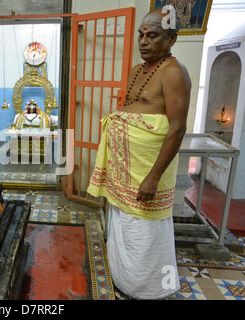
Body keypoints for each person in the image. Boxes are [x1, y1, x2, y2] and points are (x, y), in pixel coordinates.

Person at [87, 8, 191, 299]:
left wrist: (153, 178)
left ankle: (149, 290)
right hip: (125, 171)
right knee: (123, 225)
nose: (143, 42)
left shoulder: (174, 72)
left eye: (152, 36)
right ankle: (124, 279)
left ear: (171, 39)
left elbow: (177, 129)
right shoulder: (137, 70)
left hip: (147, 172)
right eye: (141, 35)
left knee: (146, 231)